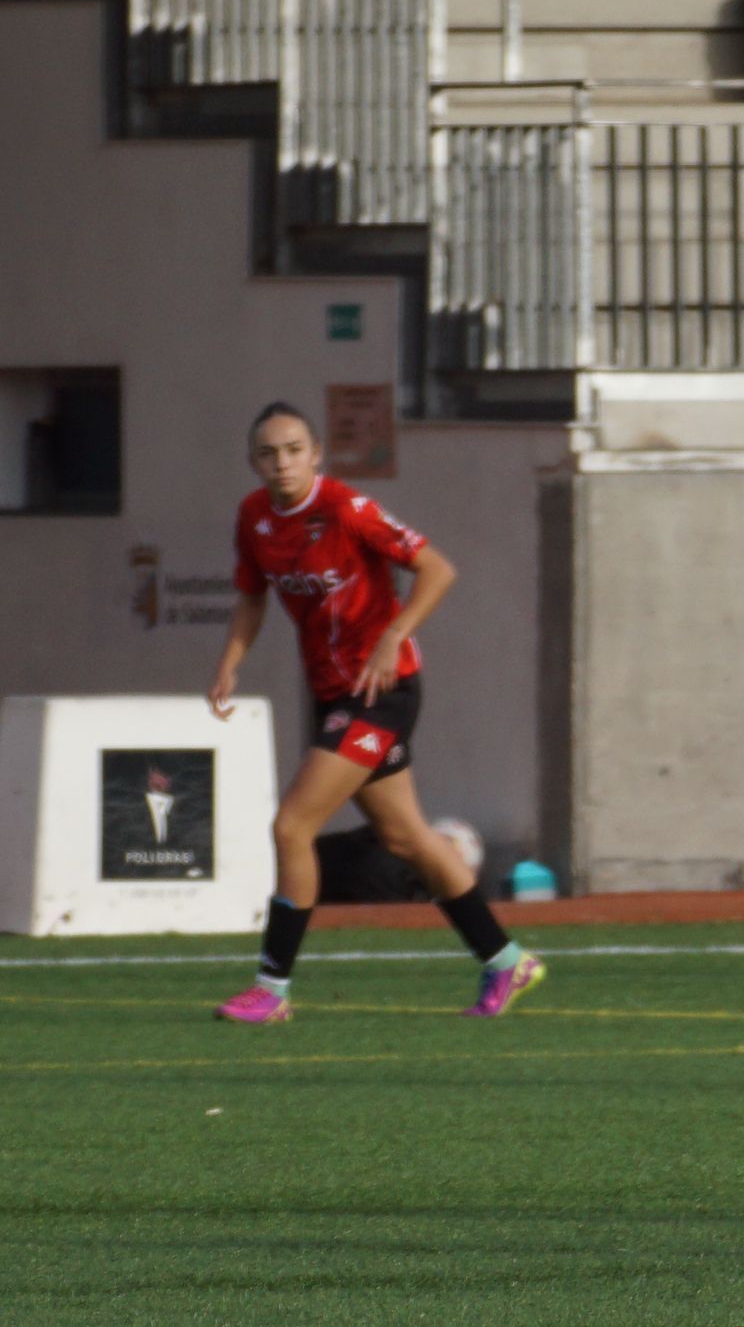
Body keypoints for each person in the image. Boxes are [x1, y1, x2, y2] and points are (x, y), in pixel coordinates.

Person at [208, 402, 544, 1024]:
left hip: (381, 693)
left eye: (292, 450)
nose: (281, 463)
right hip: (336, 693)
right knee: (404, 837)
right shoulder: (254, 518)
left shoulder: (345, 509)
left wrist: (395, 635)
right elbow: (252, 596)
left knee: (291, 827)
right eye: (267, 453)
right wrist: (231, 660)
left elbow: (437, 569)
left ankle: (272, 990)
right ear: (253, 462)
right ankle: (505, 960)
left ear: (316, 455)